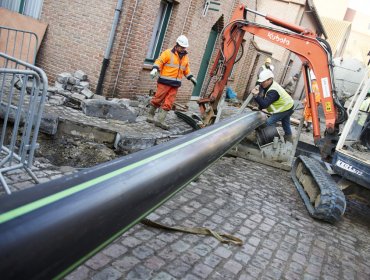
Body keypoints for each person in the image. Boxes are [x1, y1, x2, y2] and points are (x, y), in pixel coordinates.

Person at [147, 35, 197, 129]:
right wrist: (155, 69)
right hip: (164, 82)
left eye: (184, 47)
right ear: (177, 45)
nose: (183, 49)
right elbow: (159, 61)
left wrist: (191, 77)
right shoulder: (168, 53)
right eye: (182, 47)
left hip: (175, 85)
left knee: (168, 103)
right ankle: (150, 115)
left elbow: (186, 68)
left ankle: (160, 121)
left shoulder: (185, 57)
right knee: (158, 99)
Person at [251, 69, 295, 142]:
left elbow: (265, 104)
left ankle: (263, 140)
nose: (262, 83)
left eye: (263, 81)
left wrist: (256, 96)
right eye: (261, 81)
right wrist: (259, 108)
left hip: (286, 107)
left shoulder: (273, 91)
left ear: (270, 79)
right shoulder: (267, 85)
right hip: (289, 104)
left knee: (268, 123)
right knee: (285, 123)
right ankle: (289, 141)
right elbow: (263, 99)